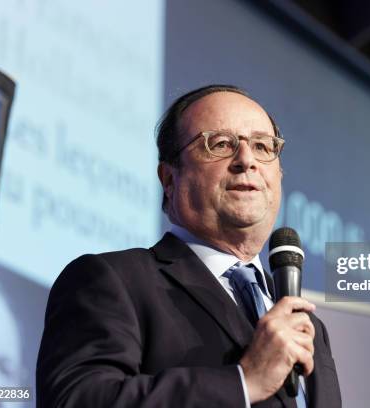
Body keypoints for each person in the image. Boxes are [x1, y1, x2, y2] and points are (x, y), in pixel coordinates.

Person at [36, 85, 342, 407]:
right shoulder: (114, 280)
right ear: (169, 179)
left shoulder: (310, 328)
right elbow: (77, 399)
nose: (246, 160)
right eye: (221, 144)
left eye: (263, 147)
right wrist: (243, 382)